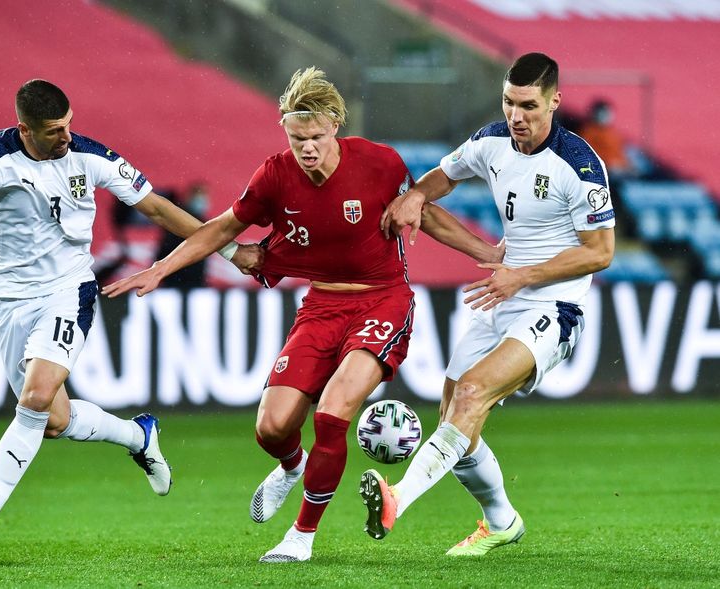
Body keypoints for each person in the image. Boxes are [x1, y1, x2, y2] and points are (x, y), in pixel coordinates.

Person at [101, 67, 503, 563]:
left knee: (333, 413)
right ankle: (293, 467)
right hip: (320, 306)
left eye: (315, 137)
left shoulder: (378, 163)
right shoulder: (274, 175)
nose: (306, 148)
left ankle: (301, 536)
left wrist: (486, 253)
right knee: (271, 428)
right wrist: (161, 268)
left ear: (335, 124)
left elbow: (424, 212)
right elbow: (224, 227)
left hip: (382, 300)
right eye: (297, 138)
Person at [0, 79, 259, 558]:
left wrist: (229, 249)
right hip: (9, 301)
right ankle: (138, 436)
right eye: (53, 130)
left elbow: (155, 207)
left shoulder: (90, 157)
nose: (66, 136)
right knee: (53, 419)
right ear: (24, 129)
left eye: (69, 124)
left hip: (68, 292)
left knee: (36, 396)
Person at [360, 52, 615, 556]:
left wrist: (523, 275)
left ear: (554, 102)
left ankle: (397, 499)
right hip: (504, 295)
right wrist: (416, 196)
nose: (516, 116)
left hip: (553, 307)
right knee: (455, 408)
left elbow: (600, 253)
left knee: (473, 393)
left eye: (528, 105)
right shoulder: (492, 140)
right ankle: (501, 520)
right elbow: (445, 175)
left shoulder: (579, 164)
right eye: (508, 102)